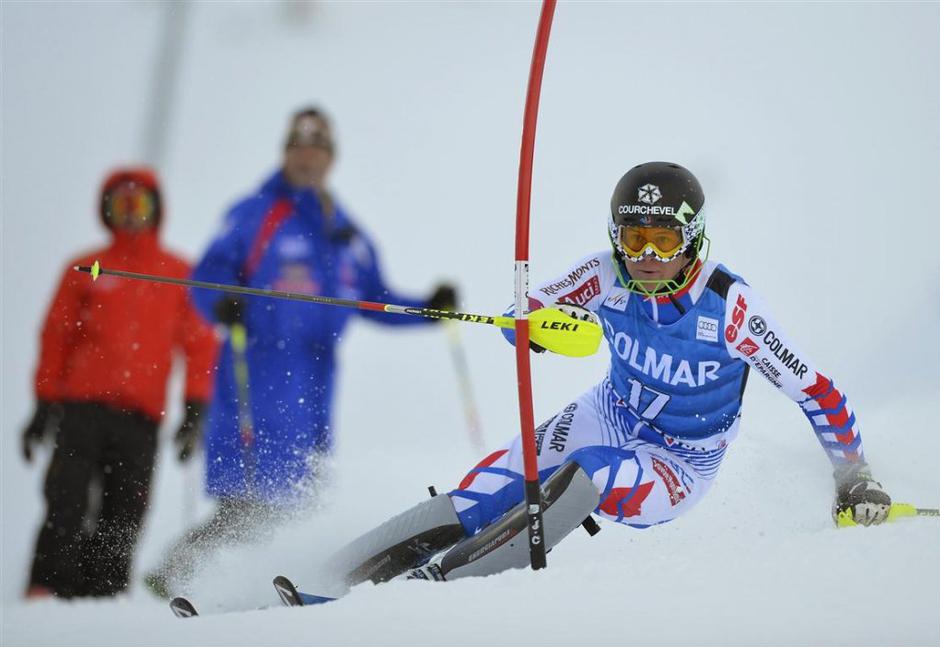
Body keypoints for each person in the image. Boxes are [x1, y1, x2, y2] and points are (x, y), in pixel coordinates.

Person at [291, 161, 891, 598]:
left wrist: (854, 475)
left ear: (693, 239)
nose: (647, 255)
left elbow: (816, 391)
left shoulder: (731, 308)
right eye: (635, 238)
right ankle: (324, 581)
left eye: (664, 239)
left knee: (591, 474)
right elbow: (524, 318)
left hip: (679, 461)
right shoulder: (604, 273)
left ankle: (428, 597)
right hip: (607, 411)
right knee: (485, 494)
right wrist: (537, 325)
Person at [144, 107, 457, 596]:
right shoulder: (255, 213)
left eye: (318, 149)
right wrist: (222, 300)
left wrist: (427, 310)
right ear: (286, 152)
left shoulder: (343, 231)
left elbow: (374, 298)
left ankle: (247, 590)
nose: (308, 158)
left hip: (313, 391)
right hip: (259, 378)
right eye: (300, 147)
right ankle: (182, 579)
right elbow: (206, 277)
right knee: (252, 504)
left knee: (292, 506)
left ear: (330, 158)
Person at [22, 167, 217, 599]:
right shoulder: (87, 268)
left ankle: (101, 603)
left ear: (155, 210)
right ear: (106, 210)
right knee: (66, 503)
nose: (131, 214)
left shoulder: (176, 273)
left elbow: (201, 344)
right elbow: (56, 336)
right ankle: (44, 594)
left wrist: (195, 409)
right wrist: (42, 403)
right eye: (121, 204)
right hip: (80, 413)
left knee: (124, 515)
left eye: (140, 204)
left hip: (140, 420)